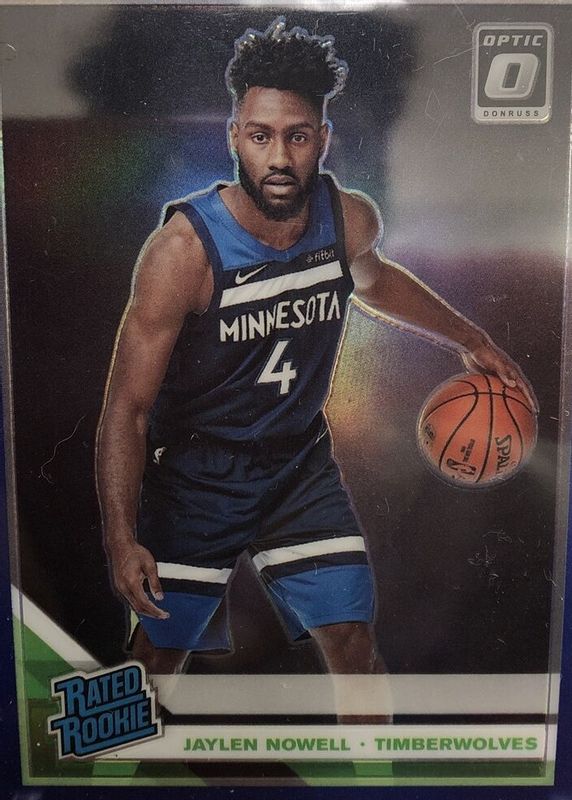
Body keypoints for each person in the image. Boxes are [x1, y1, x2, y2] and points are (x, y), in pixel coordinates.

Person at [96, 19, 536, 722]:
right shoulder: (183, 253)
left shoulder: (347, 218)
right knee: (157, 659)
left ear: (322, 140)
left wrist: (469, 337)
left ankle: (376, 771)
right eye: (261, 135)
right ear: (235, 136)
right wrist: (122, 539)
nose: (279, 157)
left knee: (354, 644)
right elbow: (127, 408)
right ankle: (96, 768)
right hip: (199, 478)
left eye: (297, 136)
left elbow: (373, 279)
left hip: (298, 469)